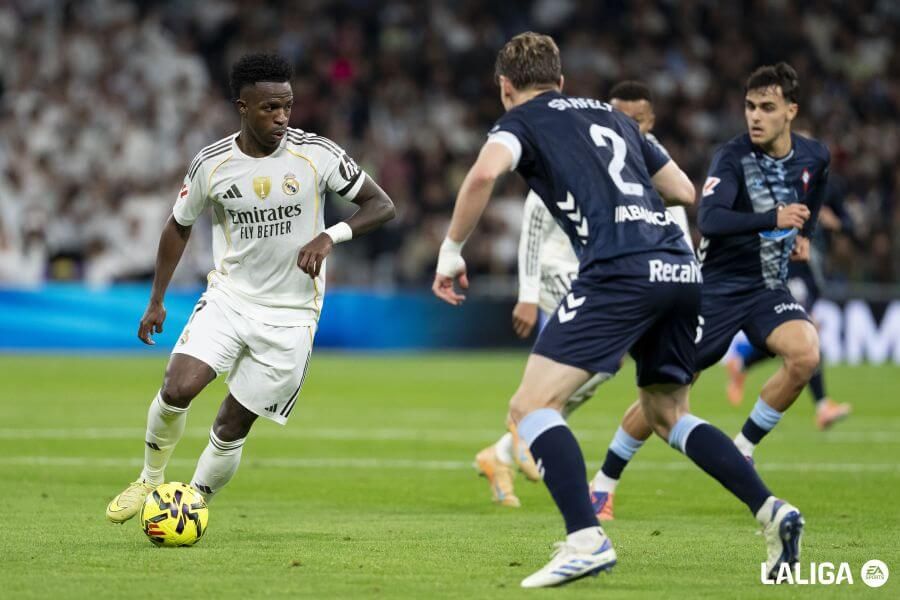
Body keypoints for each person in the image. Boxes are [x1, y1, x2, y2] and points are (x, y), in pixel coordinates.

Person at [433, 33, 802, 588]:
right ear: (560, 78)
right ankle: (773, 512)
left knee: (530, 405)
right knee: (666, 413)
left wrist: (451, 252)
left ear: (506, 87)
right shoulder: (617, 119)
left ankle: (585, 539)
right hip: (679, 267)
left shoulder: (522, 121)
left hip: (621, 269)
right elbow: (682, 189)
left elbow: (485, 173)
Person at [105, 53, 395, 523]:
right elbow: (178, 226)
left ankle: (190, 504)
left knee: (231, 424)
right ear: (242, 106)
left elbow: (382, 205)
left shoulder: (316, 153)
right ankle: (149, 480)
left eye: (288, 105)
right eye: (270, 108)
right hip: (230, 299)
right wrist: (156, 300)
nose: (282, 117)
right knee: (177, 388)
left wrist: (329, 235)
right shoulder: (212, 164)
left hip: (293, 314)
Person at [594, 62, 828, 519]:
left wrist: (806, 234)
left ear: (790, 111)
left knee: (806, 354)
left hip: (766, 288)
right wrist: (774, 218)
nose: (754, 116)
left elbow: (813, 193)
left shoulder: (814, 156)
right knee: (668, 392)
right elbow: (713, 220)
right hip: (716, 289)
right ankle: (603, 481)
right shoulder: (732, 157)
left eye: (767, 107)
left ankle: (742, 447)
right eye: (749, 106)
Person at [473, 81, 690, 519]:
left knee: (598, 370)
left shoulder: (644, 160)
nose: (628, 123)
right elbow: (535, 216)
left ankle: (506, 449)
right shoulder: (578, 140)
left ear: (650, 122)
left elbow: (678, 216)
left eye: (638, 118)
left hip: (615, 275)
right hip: (571, 271)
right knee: (599, 362)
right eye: (621, 114)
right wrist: (528, 292)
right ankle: (524, 434)